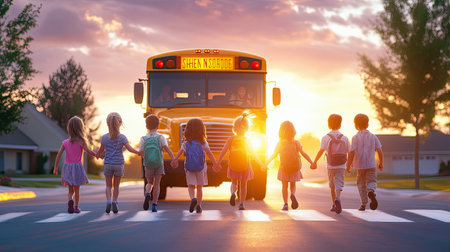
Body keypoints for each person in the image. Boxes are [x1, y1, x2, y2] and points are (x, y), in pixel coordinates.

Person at [214, 114, 264, 210]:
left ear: (235, 128)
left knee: (234, 183)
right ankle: (241, 204)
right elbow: (254, 153)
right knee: (243, 185)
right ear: (246, 128)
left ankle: (233, 192)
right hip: (245, 164)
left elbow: (223, 151)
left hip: (233, 164)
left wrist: (217, 162)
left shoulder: (231, 139)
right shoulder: (247, 140)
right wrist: (261, 164)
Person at [96, 112, 141, 214]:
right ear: (119, 123)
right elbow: (129, 149)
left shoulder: (104, 138)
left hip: (108, 164)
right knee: (116, 186)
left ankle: (108, 201)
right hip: (118, 165)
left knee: (108, 186)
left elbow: (100, 151)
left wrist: (98, 155)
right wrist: (138, 152)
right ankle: (115, 201)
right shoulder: (122, 137)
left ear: (107, 124)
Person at [170, 118, 218, 213]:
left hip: (189, 166)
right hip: (201, 167)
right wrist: (215, 163)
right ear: (202, 130)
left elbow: (180, 153)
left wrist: (174, 160)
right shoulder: (203, 142)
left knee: (191, 185)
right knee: (199, 187)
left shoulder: (187, 143)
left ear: (187, 130)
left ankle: (193, 199)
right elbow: (209, 153)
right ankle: (199, 206)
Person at [53, 116, 97, 214]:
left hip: (67, 167)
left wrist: (55, 167)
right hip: (77, 168)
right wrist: (96, 155)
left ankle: (70, 202)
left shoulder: (65, 142)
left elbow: (58, 155)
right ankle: (76, 207)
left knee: (70, 190)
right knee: (77, 190)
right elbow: (89, 151)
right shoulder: (81, 141)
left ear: (69, 128)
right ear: (80, 128)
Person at [266, 121, 314, 211]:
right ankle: (293, 194)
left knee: (284, 186)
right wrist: (311, 162)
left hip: (284, 168)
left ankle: (285, 204)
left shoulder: (280, 143)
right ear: (293, 131)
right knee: (293, 184)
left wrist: (265, 164)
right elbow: (303, 154)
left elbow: (273, 155)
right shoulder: (296, 143)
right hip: (294, 168)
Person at [312, 114, 350, 214]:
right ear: (340, 124)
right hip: (341, 165)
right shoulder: (345, 138)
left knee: (332, 185)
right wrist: (349, 164)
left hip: (330, 165)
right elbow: (349, 152)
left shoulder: (325, 137)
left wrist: (314, 161)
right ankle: (338, 198)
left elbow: (321, 151)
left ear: (329, 124)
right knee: (339, 184)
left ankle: (333, 204)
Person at [346, 113, 384, 211]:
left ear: (355, 125)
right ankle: (371, 191)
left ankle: (363, 204)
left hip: (360, 166)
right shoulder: (373, 136)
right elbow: (379, 150)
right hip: (371, 164)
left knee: (361, 184)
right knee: (371, 181)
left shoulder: (355, 137)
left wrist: (348, 165)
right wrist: (381, 163)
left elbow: (351, 152)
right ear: (367, 125)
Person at [140, 114, 175, 212]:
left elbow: (141, 153)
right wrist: (173, 159)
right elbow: (167, 149)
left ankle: (147, 193)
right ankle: (154, 204)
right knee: (157, 184)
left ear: (146, 126)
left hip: (148, 164)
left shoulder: (143, 138)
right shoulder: (161, 137)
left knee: (149, 182)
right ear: (158, 126)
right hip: (159, 163)